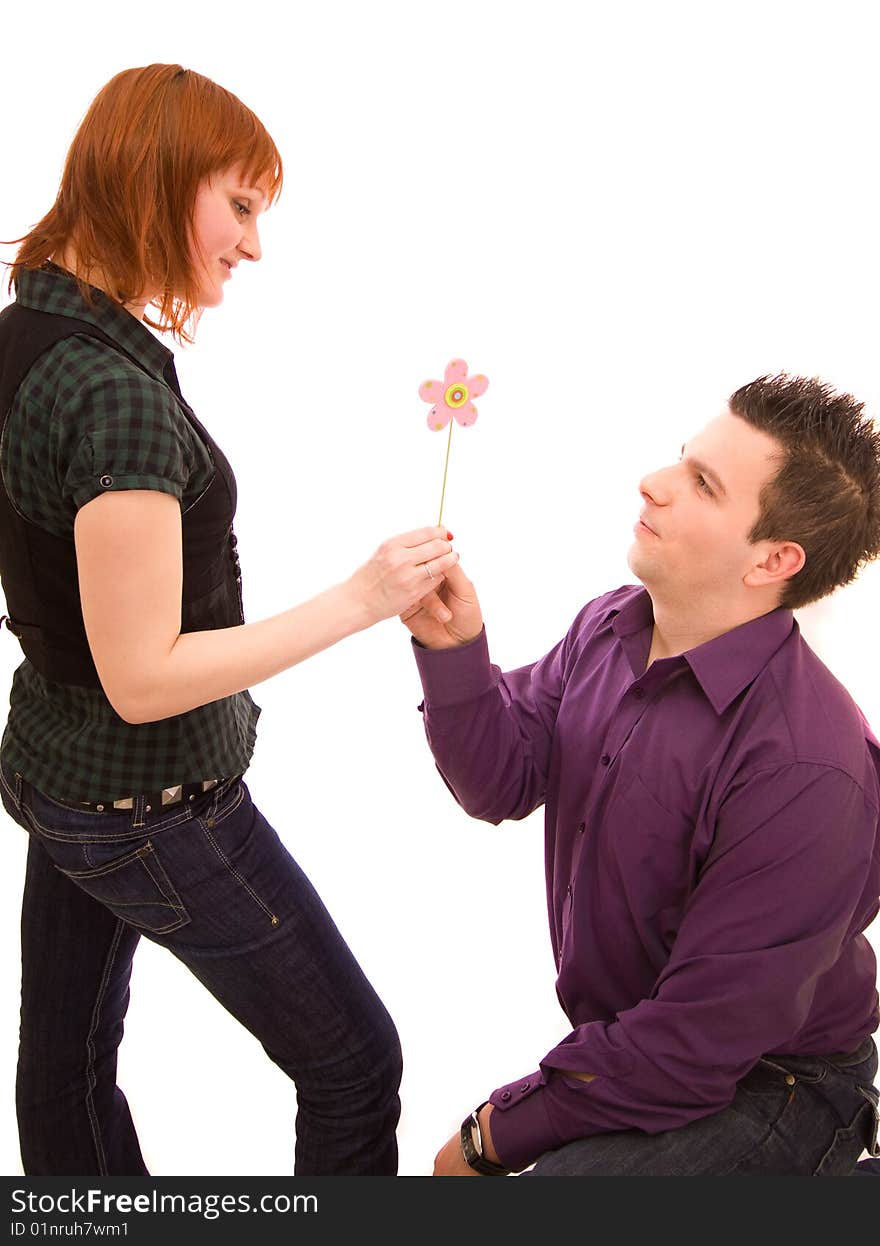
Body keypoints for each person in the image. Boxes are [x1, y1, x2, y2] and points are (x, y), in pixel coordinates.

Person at [0, 63, 459, 1176]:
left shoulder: (25, 331)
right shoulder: (110, 394)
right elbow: (145, 678)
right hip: (148, 800)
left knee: (64, 1061)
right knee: (355, 1062)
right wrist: (362, 598)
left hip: (54, 770)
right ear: (157, 182)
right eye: (241, 205)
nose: (253, 246)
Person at [401, 374, 880, 1176]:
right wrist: (455, 652)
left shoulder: (806, 769)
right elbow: (502, 780)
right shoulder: (611, 625)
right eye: (680, 461)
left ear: (773, 559)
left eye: (701, 485)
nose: (652, 484)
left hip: (777, 1084)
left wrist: (494, 1132)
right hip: (648, 1055)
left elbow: (696, 1045)